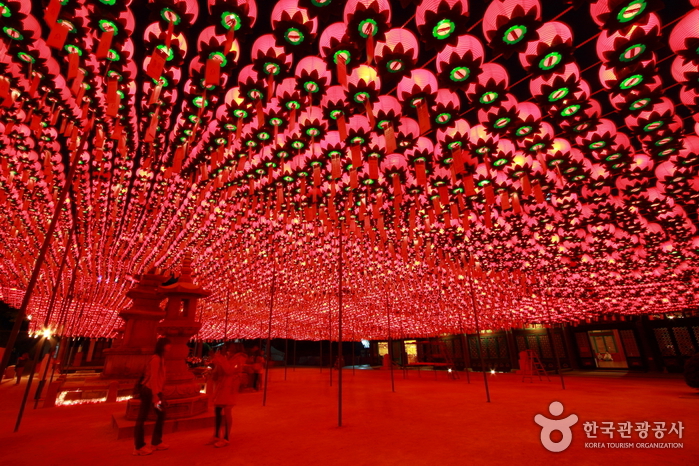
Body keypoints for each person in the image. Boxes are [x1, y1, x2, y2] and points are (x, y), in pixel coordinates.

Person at [133, 337, 171, 456]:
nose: (170, 346)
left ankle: (156, 442)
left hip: (156, 392)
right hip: (149, 392)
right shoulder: (155, 359)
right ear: (163, 346)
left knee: (161, 413)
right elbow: (153, 377)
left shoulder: (162, 359)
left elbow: (159, 378)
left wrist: (160, 392)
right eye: (168, 344)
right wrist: (155, 394)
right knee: (142, 418)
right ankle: (139, 446)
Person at [208, 342, 247, 448]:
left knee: (227, 411)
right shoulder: (228, 357)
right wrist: (216, 362)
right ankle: (216, 434)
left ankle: (226, 437)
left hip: (230, 388)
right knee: (217, 410)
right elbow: (222, 370)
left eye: (231, 345)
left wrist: (221, 360)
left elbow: (229, 370)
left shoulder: (240, 358)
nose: (229, 347)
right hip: (222, 386)